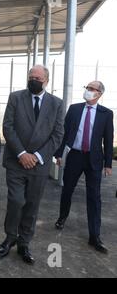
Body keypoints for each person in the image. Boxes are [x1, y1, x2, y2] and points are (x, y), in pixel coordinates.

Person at [0, 65, 64, 265]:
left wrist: (36, 156)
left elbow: (57, 134)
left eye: (37, 77)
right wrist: (21, 153)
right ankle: (10, 237)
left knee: (32, 205)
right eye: (30, 76)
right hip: (16, 161)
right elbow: (8, 127)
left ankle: (24, 242)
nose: (33, 79)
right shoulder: (16, 97)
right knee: (16, 201)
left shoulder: (56, 104)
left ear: (46, 80)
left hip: (39, 163)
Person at [54, 81, 114, 254]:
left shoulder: (106, 114)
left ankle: (94, 235)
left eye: (92, 89)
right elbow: (64, 132)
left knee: (94, 197)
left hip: (94, 159)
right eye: (87, 88)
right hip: (75, 156)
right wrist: (59, 154)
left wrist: (108, 164)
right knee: (67, 190)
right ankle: (62, 217)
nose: (88, 91)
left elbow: (108, 140)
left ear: (99, 94)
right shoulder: (74, 109)